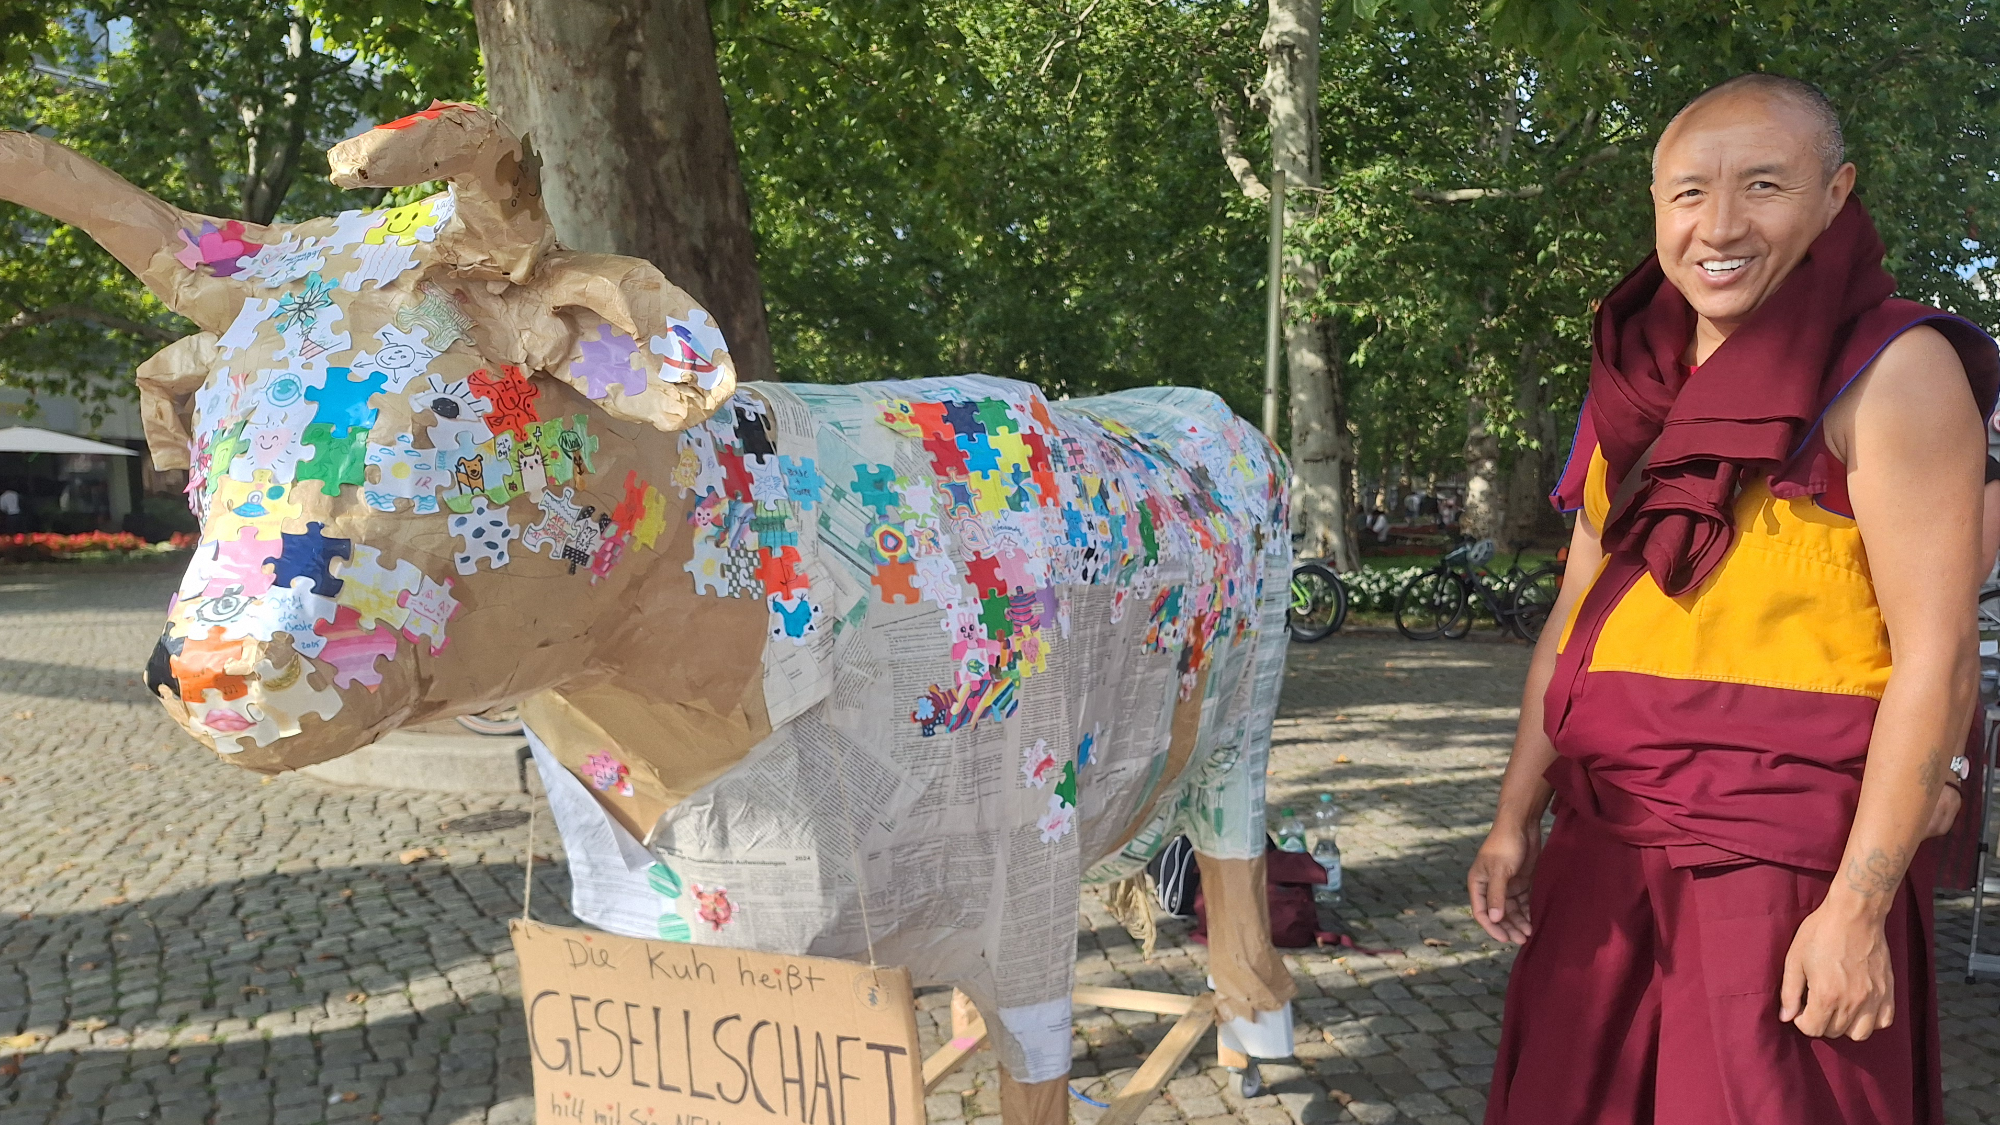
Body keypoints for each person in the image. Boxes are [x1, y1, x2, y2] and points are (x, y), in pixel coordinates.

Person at [1468, 74, 1999, 1125]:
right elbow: (1573, 621)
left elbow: (1935, 659)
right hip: (1601, 844)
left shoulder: (1891, 372)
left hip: (1786, 869)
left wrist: (1856, 910)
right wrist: (1512, 816)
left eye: (1763, 185)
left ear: (1835, 194)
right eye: (1687, 192)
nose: (1717, 226)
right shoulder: (1634, 383)